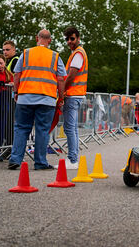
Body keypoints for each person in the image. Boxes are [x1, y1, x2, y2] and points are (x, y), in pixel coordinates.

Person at [9, 29, 66, 171]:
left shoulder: (26, 53)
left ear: (37, 38)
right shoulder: (55, 56)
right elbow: (60, 79)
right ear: (50, 41)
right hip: (46, 99)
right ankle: (40, 162)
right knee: (42, 130)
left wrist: (16, 91)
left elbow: (17, 74)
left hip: (25, 97)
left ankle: (15, 159)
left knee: (21, 128)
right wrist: (61, 97)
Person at [61, 26, 87, 170]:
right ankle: (73, 158)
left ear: (78, 38)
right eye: (67, 39)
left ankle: (72, 159)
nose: (69, 41)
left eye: (72, 38)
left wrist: (62, 90)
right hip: (76, 94)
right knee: (73, 129)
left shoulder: (78, 53)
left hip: (73, 94)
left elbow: (71, 75)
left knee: (70, 128)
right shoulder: (77, 52)